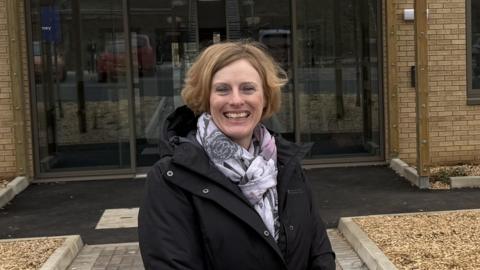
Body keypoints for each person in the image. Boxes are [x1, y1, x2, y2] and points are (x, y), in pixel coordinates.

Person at [138, 41, 335, 270]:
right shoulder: (170, 178)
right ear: (205, 97)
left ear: (265, 97)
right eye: (222, 89)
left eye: (248, 88)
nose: (236, 100)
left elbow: (320, 253)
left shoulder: (286, 165)